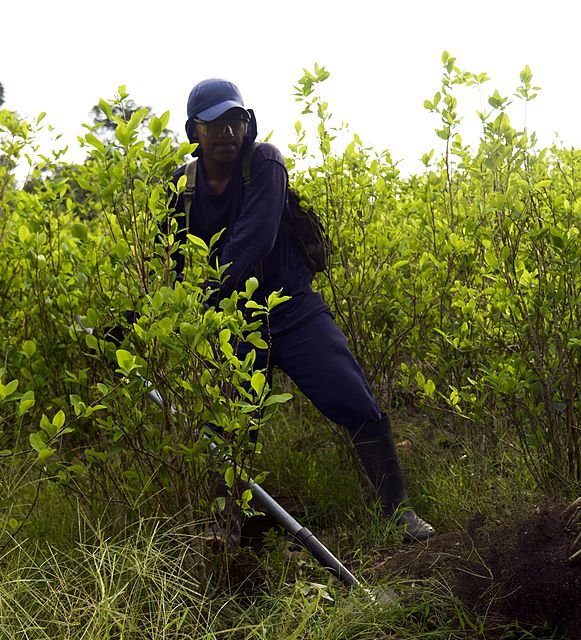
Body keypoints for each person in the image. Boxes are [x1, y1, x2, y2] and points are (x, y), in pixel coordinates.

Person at [169, 78, 435, 542]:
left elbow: (254, 240)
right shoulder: (181, 187)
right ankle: (226, 530)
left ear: (247, 124)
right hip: (232, 322)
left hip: (292, 309)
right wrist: (163, 316)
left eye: (236, 121)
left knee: (355, 401)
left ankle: (400, 513)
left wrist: (201, 300)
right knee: (229, 429)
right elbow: (170, 262)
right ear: (195, 131)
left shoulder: (265, 162)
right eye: (215, 124)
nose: (228, 132)